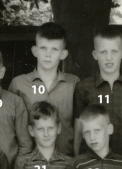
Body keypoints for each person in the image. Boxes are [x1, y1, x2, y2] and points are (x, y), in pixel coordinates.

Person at [73, 25, 122, 162]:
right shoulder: (83, 87)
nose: (109, 58)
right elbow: (78, 131)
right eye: (103, 52)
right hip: (92, 165)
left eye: (114, 51)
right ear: (95, 55)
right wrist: (77, 162)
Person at [9, 22, 79, 157]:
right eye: (43, 48)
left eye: (54, 49)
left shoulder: (74, 83)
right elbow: (11, 127)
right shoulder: (18, 84)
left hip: (66, 160)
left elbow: (79, 126)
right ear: (35, 51)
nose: (48, 55)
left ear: (63, 54)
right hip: (30, 162)